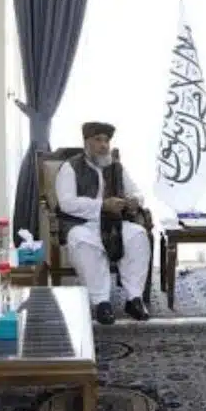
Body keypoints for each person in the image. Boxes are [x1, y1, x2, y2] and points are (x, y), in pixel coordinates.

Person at [54, 122, 151, 325]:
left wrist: (134, 200)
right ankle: (101, 303)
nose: (103, 145)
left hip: (114, 224)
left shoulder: (116, 167)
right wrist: (101, 206)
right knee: (83, 241)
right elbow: (66, 203)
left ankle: (134, 298)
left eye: (106, 141)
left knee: (138, 235)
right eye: (98, 140)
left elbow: (137, 192)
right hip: (82, 224)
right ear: (86, 143)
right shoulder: (70, 167)